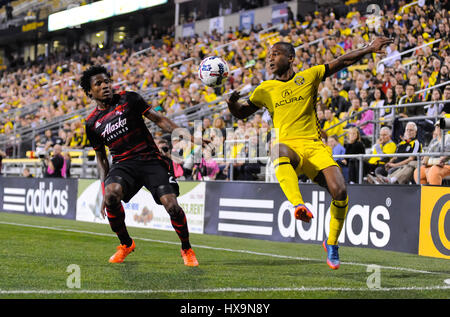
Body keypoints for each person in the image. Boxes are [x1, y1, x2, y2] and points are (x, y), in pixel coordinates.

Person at [226, 37, 393, 270]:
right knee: (277, 149)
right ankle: (298, 205)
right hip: (289, 147)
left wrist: (369, 49)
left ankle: (332, 243)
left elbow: (342, 60)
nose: (270, 58)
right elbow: (241, 114)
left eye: (276, 54)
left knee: (340, 191)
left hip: (314, 147)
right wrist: (232, 104)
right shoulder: (265, 89)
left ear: (291, 58)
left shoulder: (310, 76)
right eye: (269, 55)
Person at [81, 65, 201, 266]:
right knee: (111, 195)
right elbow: (101, 159)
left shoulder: (129, 99)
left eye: (107, 81)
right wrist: (103, 190)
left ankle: (186, 248)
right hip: (123, 164)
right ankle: (126, 244)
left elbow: (159, 119)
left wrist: (188, 136)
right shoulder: (92, 123)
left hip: (150, 160)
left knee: (171, 206)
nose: (105, 86)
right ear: (89, 92)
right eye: (98, 84)